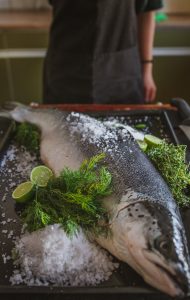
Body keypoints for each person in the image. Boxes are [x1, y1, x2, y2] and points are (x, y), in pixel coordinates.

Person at [43, 0, 163, 105]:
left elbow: (147, 11)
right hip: (65, 69)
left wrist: (147, 68)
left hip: (123, 70)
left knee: (124, 128)